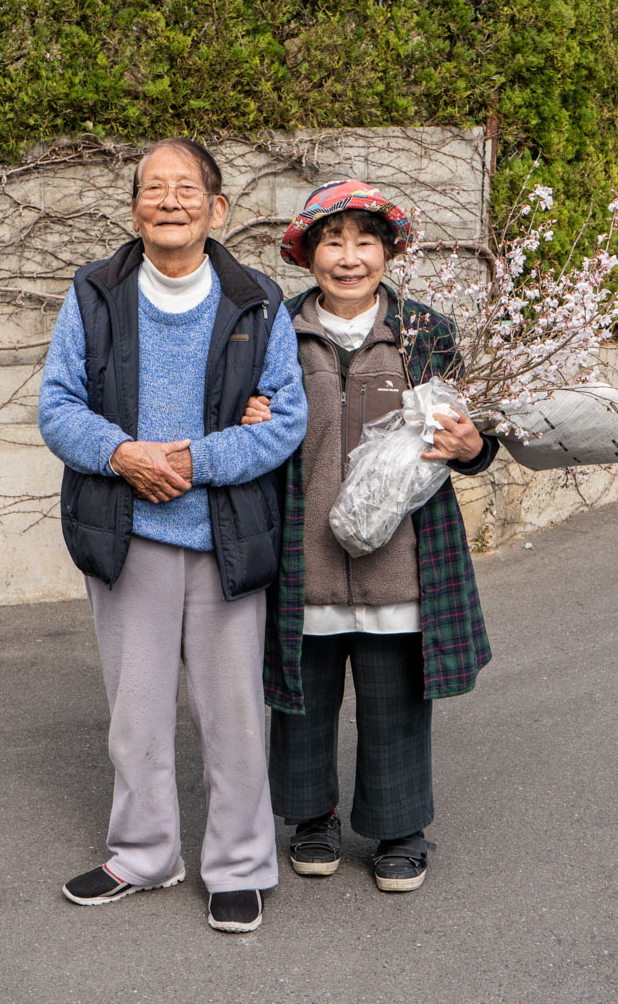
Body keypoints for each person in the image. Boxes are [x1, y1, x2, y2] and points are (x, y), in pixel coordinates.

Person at [38, 137, 307, 933]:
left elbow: (285, 420)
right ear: (133, 210)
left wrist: (191, 461)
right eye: (153, 188)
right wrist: (122, 455)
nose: (169, 200)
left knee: (233, 714)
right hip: (126, 534)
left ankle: (240, 864)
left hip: (225, 534)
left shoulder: (257, 300)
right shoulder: (94, 293)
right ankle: (145, 854)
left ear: (216, 208)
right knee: (137, 711)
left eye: (186, 188)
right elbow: (58, 407)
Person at [244, 179, 497, 893]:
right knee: (300, 702)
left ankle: (399, 829)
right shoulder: (275, 331)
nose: (348, 257)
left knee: (396, 703)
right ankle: (311, 818)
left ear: (387, 252)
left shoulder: (427, 334)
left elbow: (477, 444)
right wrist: (249, 420)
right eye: (332, 241)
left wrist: (473, 445)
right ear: (307, 253)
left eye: (364, 241)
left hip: (403, 563)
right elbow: (241, 419)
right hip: (304, 559)